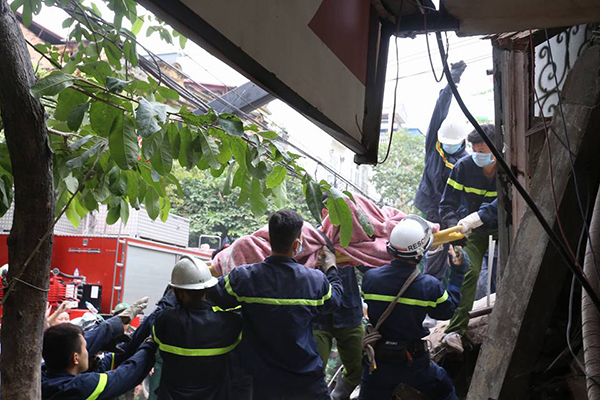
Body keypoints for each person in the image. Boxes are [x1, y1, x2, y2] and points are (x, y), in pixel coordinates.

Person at [210, 209, 344, 400]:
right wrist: (331, 267)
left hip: (259, 381)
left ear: (269, 239)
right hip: (305, 380)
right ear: (297, 244)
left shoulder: (244, 278)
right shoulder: (315, 281)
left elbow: (214, 295)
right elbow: (335, 300)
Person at [359, 215, 468, 400]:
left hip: (379, 361)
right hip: (413, 363)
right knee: (445, 391)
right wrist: (457, 275)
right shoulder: (429, 286)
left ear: (390, 248)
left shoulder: (370, 279)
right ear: (421, 253)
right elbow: (445, 311)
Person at [152, 255, 246, 399]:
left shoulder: (164, 321)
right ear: (208, 288)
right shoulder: (228, 322)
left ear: (180, 293)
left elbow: (156, 336)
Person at [439, 125, 498, 352]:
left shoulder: (507, 166)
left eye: (482, 150)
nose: (477, 154)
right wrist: (455, 228)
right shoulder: (463, 167)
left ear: (494, 148)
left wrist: (478, 217)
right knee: (467, 271)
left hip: (503, 226)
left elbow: (505, 200)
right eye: (474, 149)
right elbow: (447, 204)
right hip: (471, 231)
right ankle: (454, 331)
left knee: (508, 271)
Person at [414, 60, 469, 280]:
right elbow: (440, 109)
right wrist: (452, 80)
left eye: (451, 143)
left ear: (462, 141)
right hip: (430, 207)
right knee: (432, 251)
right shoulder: (434, 147)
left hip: (452, 212)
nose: (447, 146)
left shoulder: (465, 162)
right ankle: (428, 293)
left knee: (458, 253)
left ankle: (454, 295)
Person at [42, 300, 156, 399]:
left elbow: (120, 355)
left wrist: (152, 318)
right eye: (85, 349)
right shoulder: (79, 387)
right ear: (75, 358)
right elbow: (128, 374)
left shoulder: (44, 374)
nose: (89, 351)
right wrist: (151, 344)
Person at [313, 196, 364, 400]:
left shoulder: (352, 237)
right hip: (317, 315)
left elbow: (370, 263)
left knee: (359, 367)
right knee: (313, 369)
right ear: (325, 213)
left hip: (349, 311)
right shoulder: (311, 239)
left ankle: (338, 395)